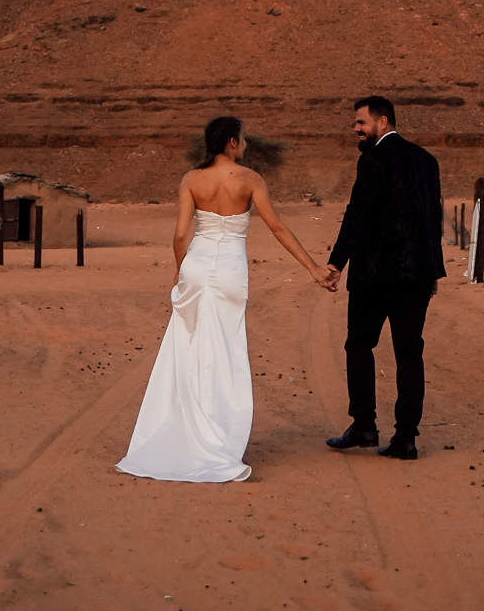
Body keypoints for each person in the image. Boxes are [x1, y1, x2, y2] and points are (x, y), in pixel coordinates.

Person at [116, 116, 333, 482]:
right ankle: (219, 436)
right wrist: (312, 268)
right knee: (226, 351)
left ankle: (184, 430)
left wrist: (179, 270)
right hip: (231, 269)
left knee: (188, 348)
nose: (245, 144)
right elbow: (277, 227)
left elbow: (180, 233)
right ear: (232, 142)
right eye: (243, 139)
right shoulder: (250, 179)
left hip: (197, 266)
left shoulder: (192, 179)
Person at [324, 95, 445, 460]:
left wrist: (336, 263)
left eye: (361, 123)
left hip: (374, 276)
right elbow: (433, 219)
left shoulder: (373, 158)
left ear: (383, 122)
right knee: (409, 352)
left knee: (359, 345)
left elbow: (357, 214)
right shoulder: (426, 160)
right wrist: (431, 270)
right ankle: (406, 438)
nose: (356, 130)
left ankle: (364, 425)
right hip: (416, 275)